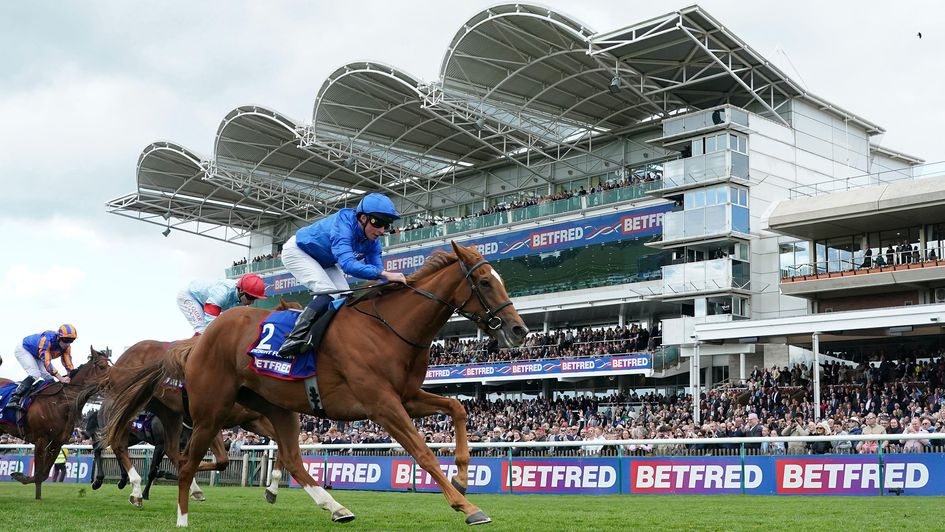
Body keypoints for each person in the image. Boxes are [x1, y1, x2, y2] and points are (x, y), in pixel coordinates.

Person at [278, 193, 407, 357]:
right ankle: (293, 339)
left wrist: (386, 280)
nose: (381, 230)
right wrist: (385, 274)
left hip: (324, 260)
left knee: (345, 298)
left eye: (386, 225)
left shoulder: (373, 239)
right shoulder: (343, 224)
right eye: (378, 222)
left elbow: (376, 269)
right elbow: (348, 265)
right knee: (328, 292)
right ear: (362, 218)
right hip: (298, 251)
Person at [9, 324, 78, 410]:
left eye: (71, 340)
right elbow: (47, 362)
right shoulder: (46, 341)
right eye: (66, 340)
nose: (67, 343)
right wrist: (61, 378)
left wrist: (71, 373)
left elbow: (67, 362)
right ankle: (14, 398)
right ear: (58, 337)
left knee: (49, 378)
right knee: (35, 374)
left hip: (37, 354)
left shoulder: (67, 347)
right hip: (24, 349)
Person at [177, 273, 268, 335]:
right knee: (203, 330)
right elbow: (210, 322)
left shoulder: (241, 298)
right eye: (250, 297)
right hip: (190, 296)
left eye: (255, 298)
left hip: (205, 300)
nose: (251, 302)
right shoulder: (222, 293)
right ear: (241, 291)